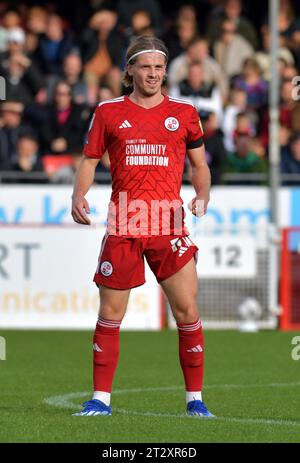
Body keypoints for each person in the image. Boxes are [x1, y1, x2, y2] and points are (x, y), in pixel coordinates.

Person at [71, 35, 214, 418]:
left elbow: (200, 166)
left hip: (169, 223)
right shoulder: (107, 112)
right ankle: (100, 400)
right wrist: (78, 195)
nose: (152, 74)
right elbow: (89, 160)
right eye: (145, 67)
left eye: (158, 67)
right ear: (129, 70)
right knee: (111, 314)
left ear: (165, 71)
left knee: (186, 310)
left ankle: (195, 401)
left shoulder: (185, 113)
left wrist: (202, 195)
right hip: (125, 222)